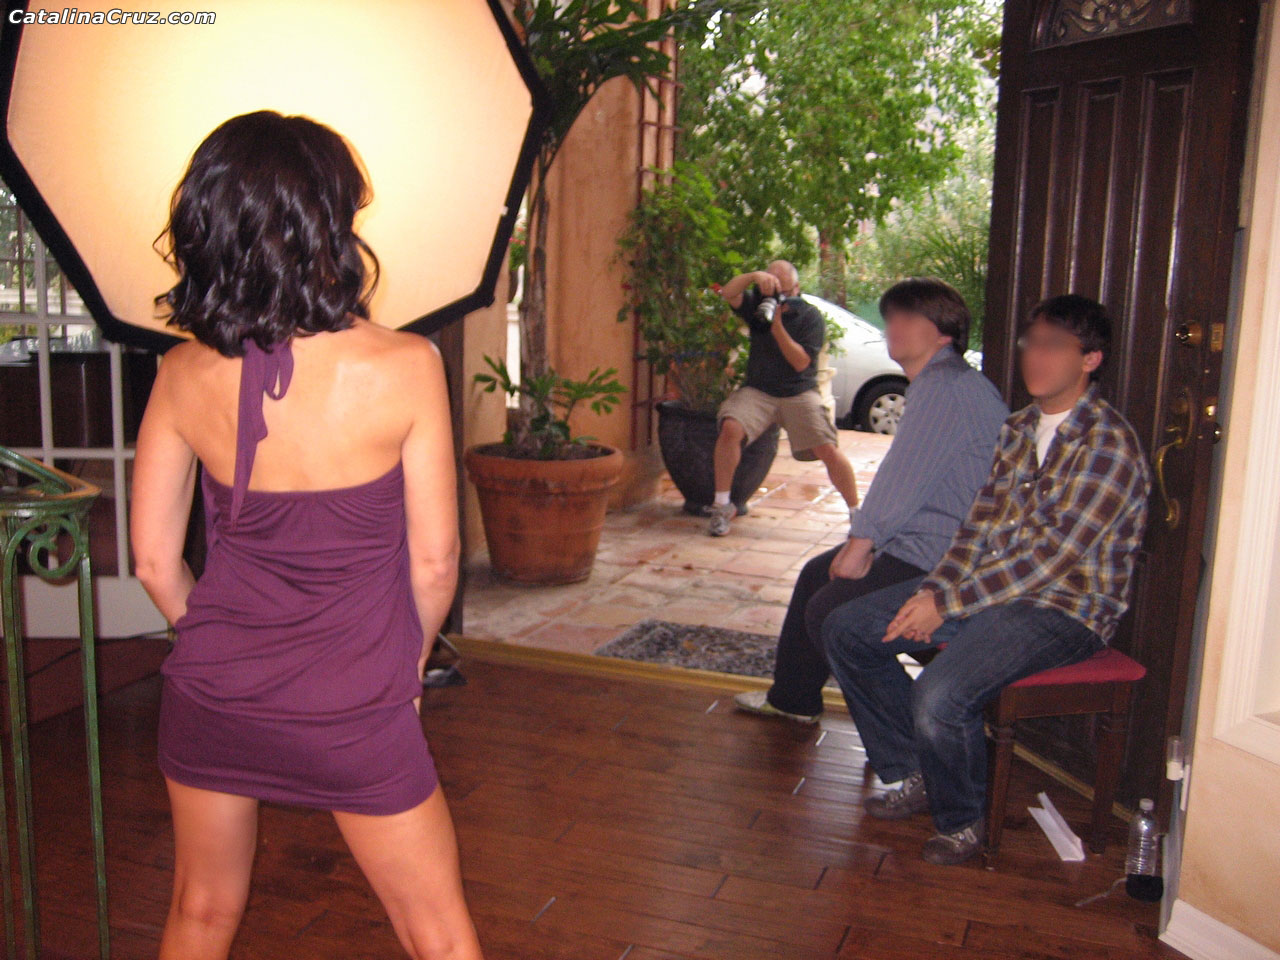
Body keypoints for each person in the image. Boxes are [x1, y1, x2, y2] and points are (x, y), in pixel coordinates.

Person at [130, 111, 483, 959]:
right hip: (354, 702)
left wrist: (226, 648)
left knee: (200, 912)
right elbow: (436, 562)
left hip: (212, 695)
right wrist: (402, 668)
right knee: (435, 933)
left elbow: (152, 561)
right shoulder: (406, 366)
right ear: (327, 223)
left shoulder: (180, 373)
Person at [821, 294, 1151, 866]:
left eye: (1054, 345)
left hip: (1064, 608)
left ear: (1090, 359)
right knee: (846, 628)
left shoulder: (1108, 445)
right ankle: (914, 770)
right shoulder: (1019, 428)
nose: (1036, 356)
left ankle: (961, 821)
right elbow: (976, 529)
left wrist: (947, 602)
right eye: (1032, 342)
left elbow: (1048, 559)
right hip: (994, 591)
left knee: (940, 693)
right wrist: (934, 590)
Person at [735, 278, 1008, 723]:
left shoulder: (947, 386)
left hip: (949, 557)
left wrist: (861, 544)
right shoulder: (945, 382)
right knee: (815, 576)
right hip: (931, 542)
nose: (894, 325)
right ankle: (793, 700)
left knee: (831, 611)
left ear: (944, 332)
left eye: (910, 317)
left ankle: (927, 729)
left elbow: (904, 477)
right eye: (892, 316)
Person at [708, 260, 858, 535]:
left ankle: (856, 512)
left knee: (827, 448)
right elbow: (727, 293)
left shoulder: (810, 316)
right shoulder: (758, 304)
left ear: (796, 288)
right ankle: (721, 506)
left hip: (798, 391)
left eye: (784, 289)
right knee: (730, 427)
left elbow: (801, 363)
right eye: (773, 286)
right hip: (759, 390)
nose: (778, 295)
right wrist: (753, 276)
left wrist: (777, 326)